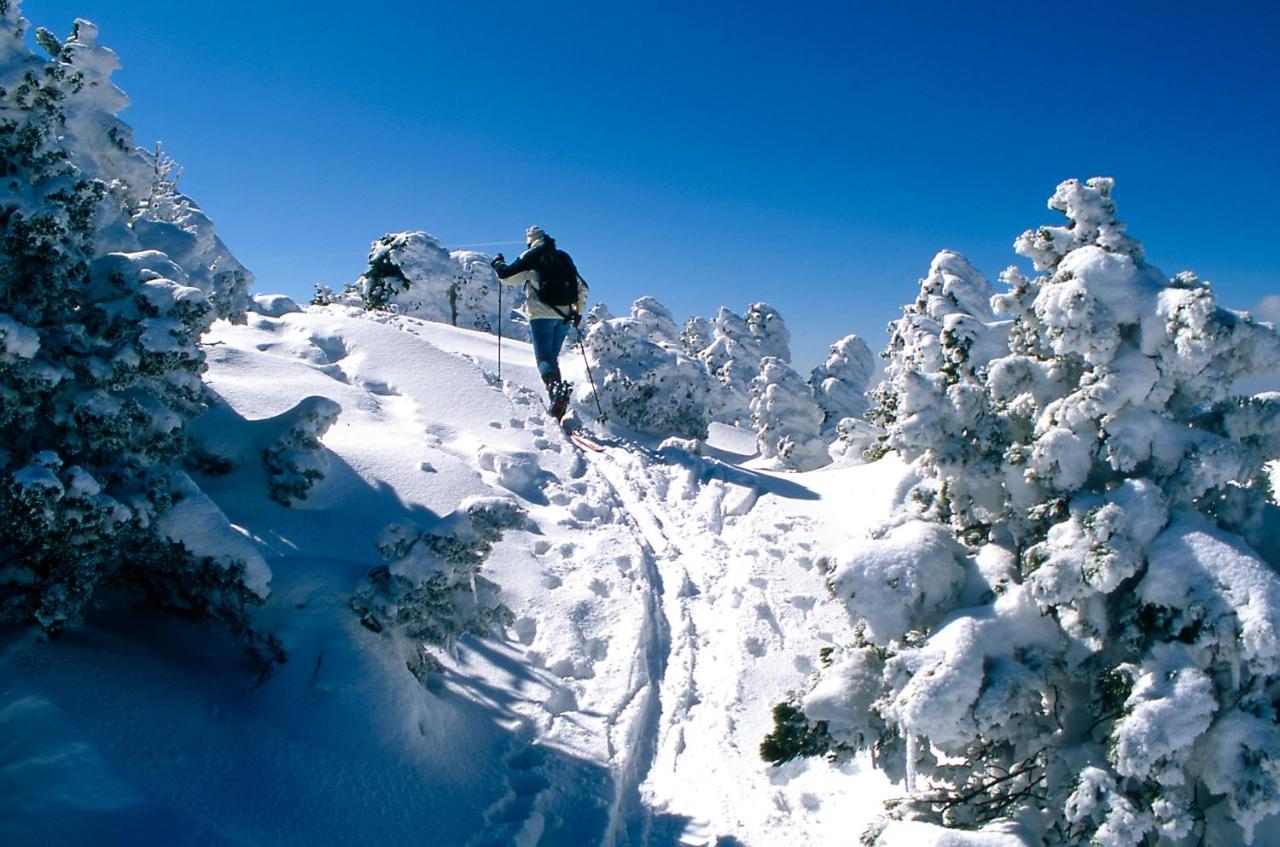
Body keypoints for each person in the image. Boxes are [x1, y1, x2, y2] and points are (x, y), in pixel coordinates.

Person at [491, 226, 589, 419]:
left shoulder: (531, 256)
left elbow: (508, 277)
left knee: (543, 359)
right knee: (552, 359)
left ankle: (556, 394)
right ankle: (558, 399)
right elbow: (582, 287)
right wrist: (578, 312)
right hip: (565, 316)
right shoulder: (563, 257)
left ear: (531, 241)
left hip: (541, 315)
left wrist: (498, 264)